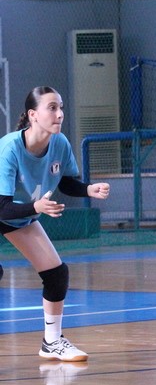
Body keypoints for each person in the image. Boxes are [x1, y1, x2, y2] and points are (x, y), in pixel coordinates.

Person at [0, 86, 111, 361]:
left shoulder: (59, 143)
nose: (60, 114)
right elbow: (1, 206)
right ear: (33, 115)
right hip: (6, 209)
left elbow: (66, 181)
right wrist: (35, 207)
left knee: (56, 274)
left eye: (60, 107)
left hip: (18, 215)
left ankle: (52, 341)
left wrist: (88, 189)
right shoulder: (9, 148)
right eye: (52, 108)